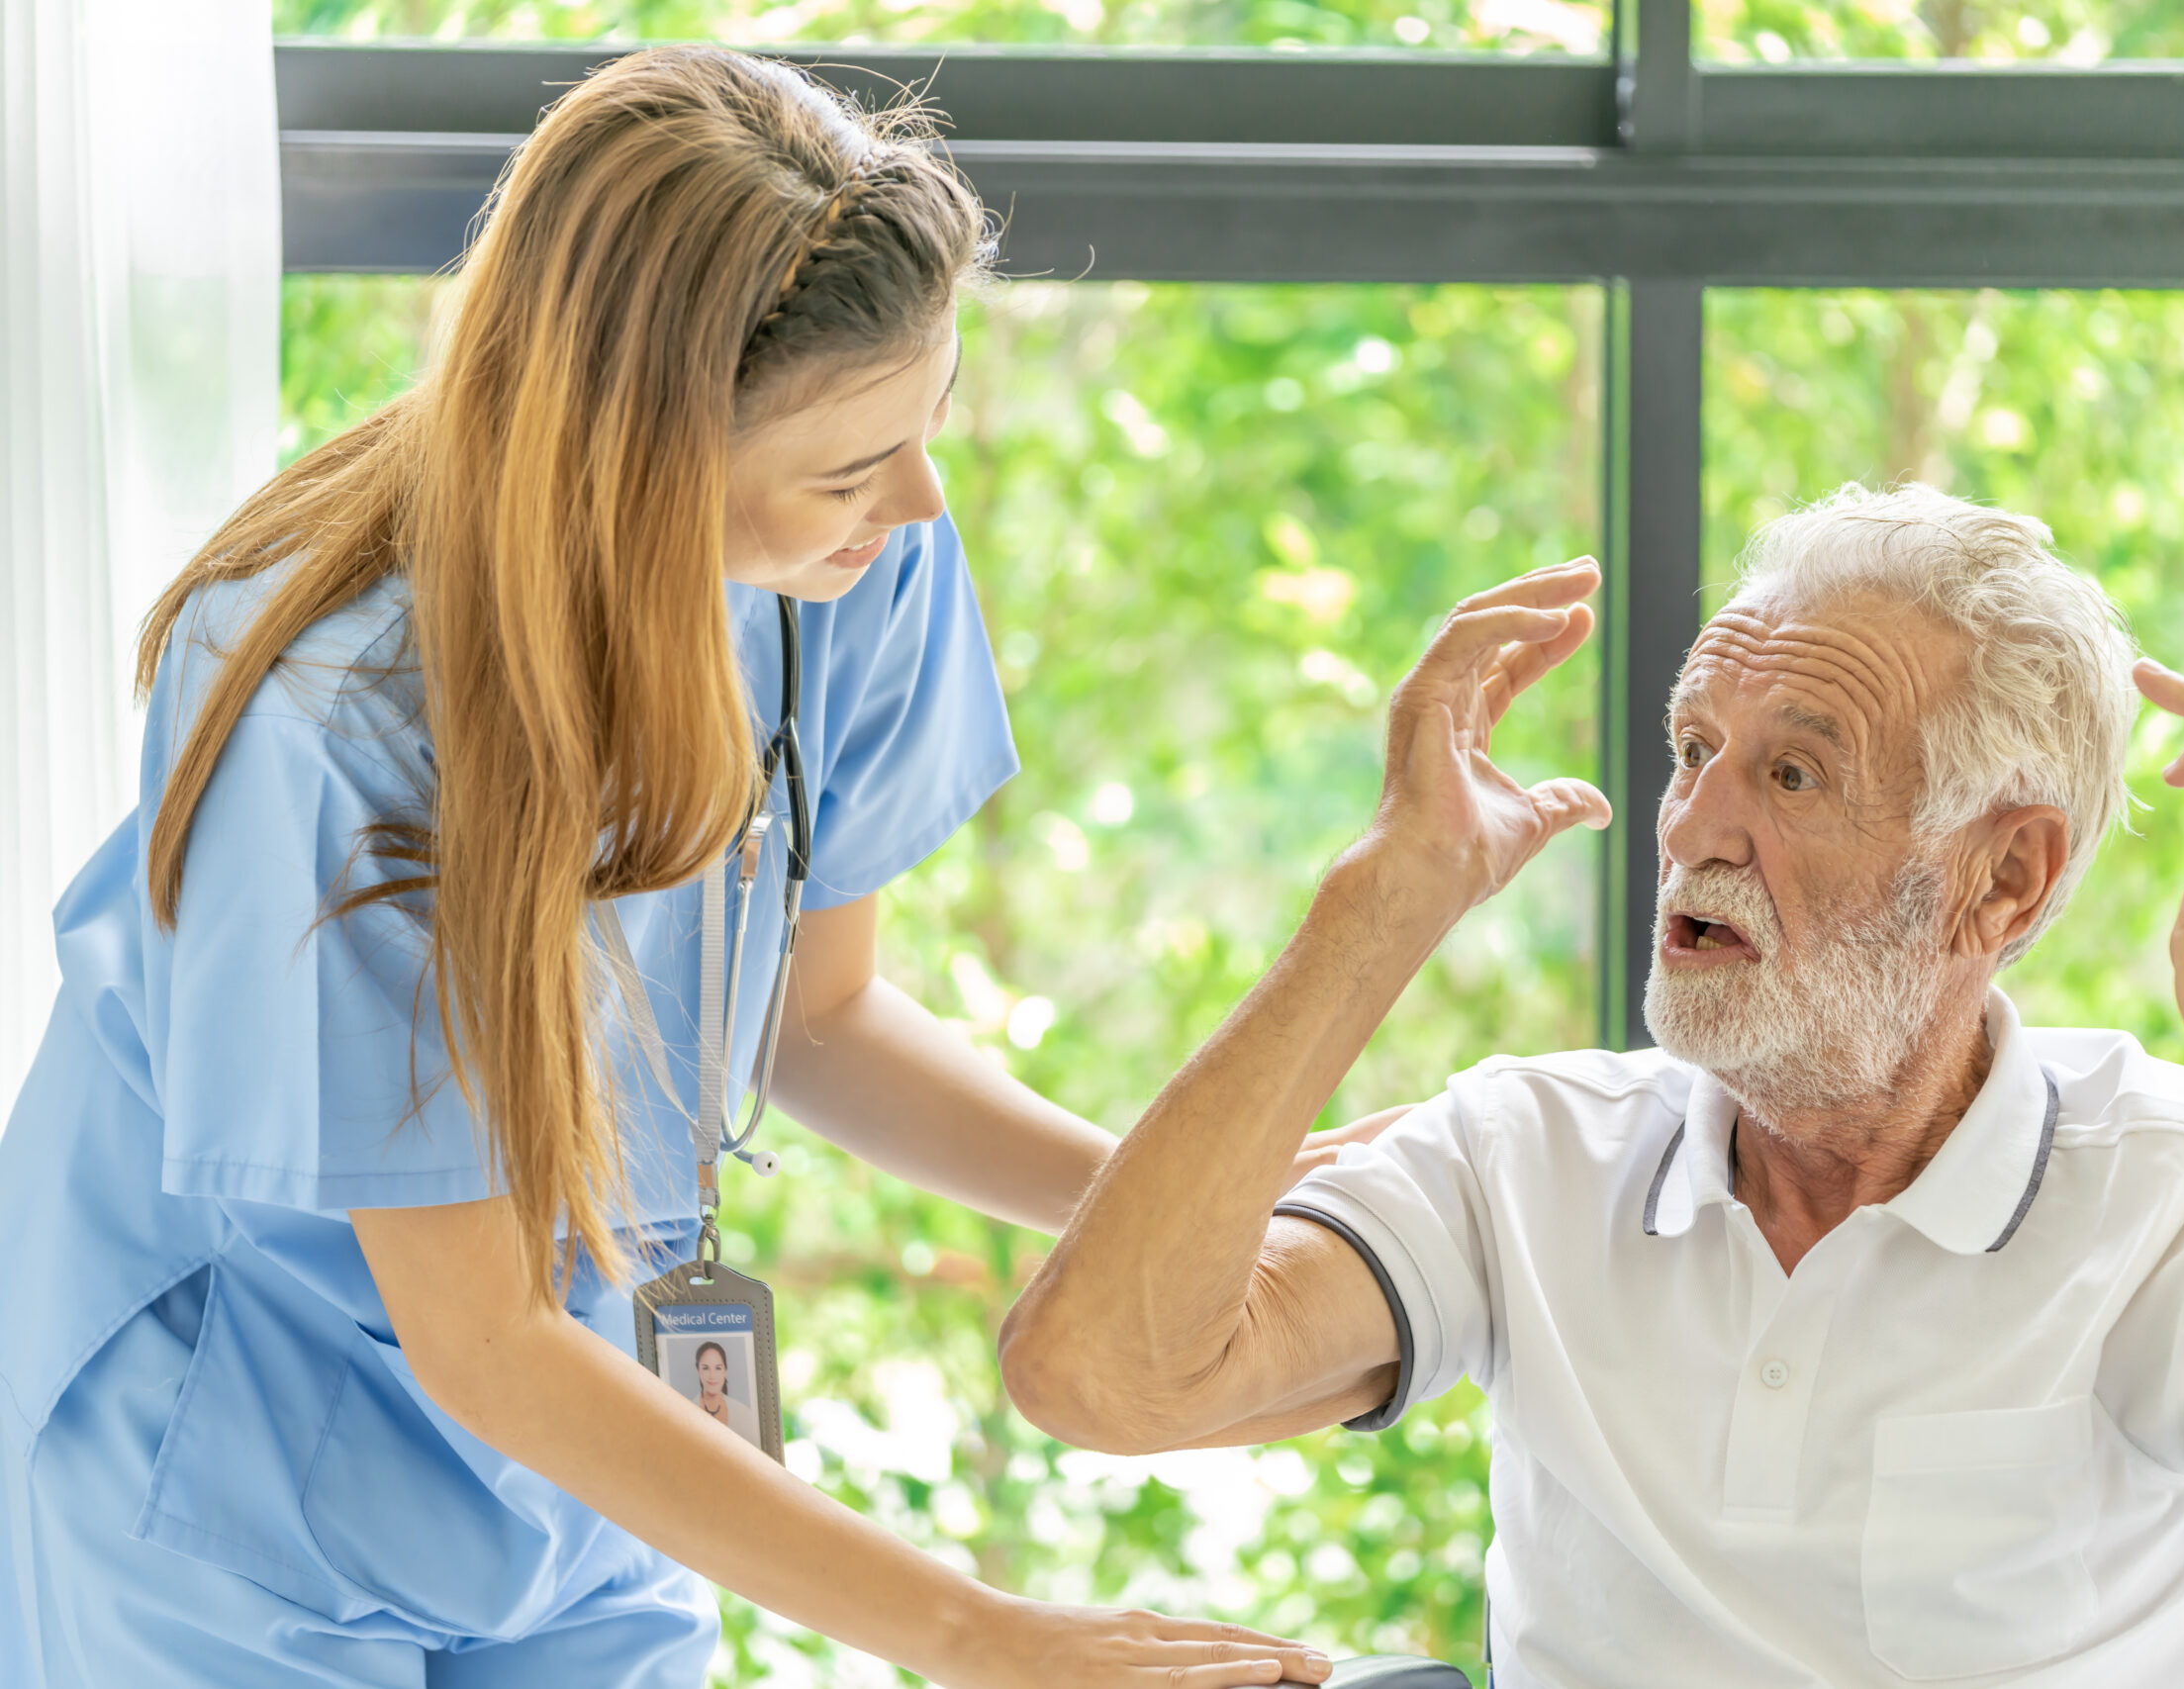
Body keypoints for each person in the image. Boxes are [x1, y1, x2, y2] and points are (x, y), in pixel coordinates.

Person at [0, 42, 1608, 1689]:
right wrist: (984, 1636)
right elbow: (483, 1335)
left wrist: (1195, 1196)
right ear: (635, 460)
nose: (912, 501)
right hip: (233, 1452)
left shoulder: (850, 553)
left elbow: (819, 1020)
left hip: (580, 1433)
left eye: (927, 427)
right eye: (850, 469)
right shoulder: (334, 709)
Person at [1002, 484, 2184, 1685]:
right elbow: (1099, 1376)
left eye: (1790, 775)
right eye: (1692, 749)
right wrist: (1384, 901)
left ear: (2003, 878)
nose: (1695, 828)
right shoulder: (1527, 1155)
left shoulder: (2166, 1185)